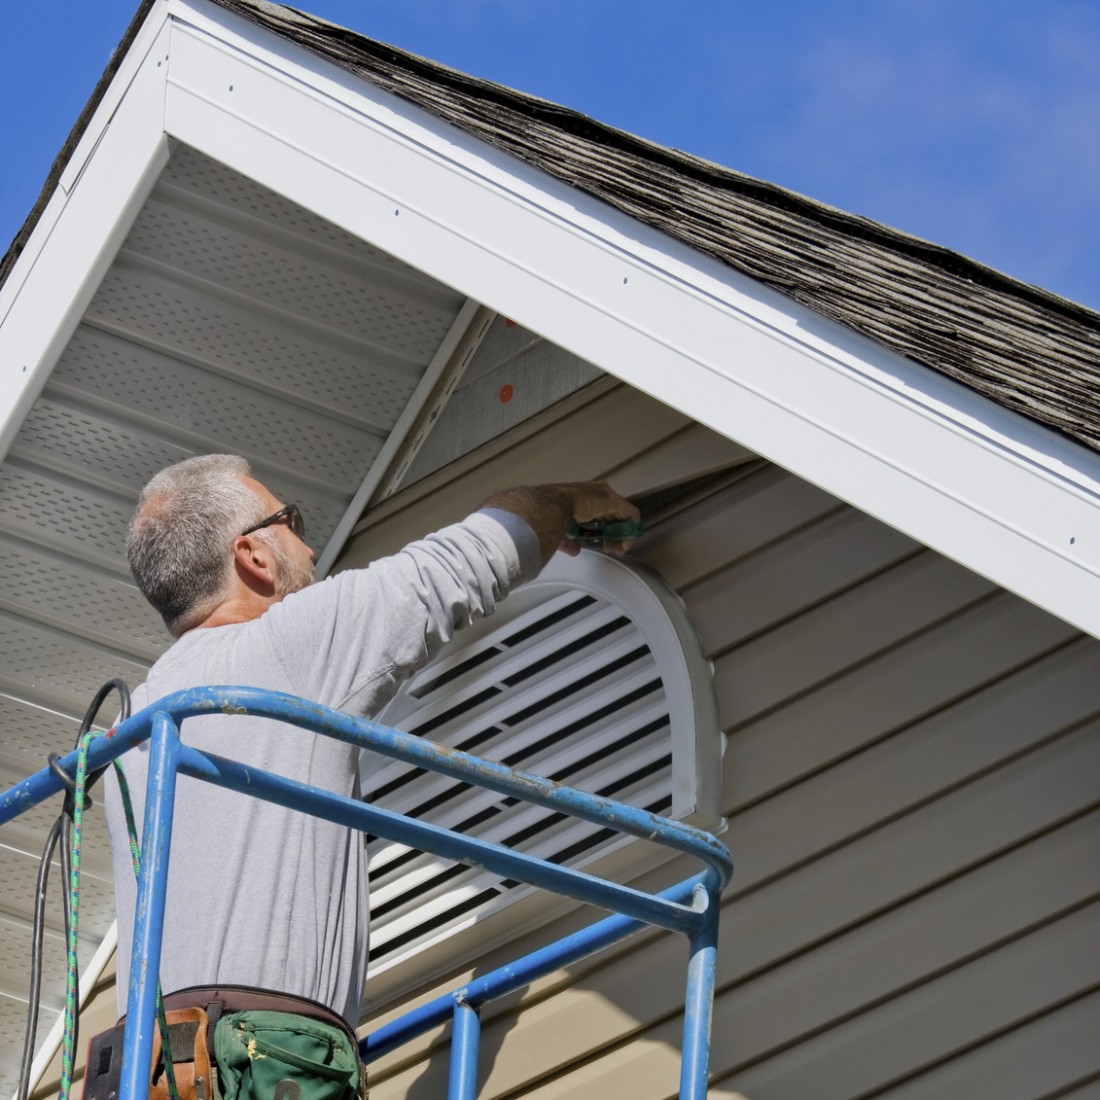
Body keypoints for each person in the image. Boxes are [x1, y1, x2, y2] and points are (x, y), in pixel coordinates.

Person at [101, 454, 639, 1055]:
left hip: (148, 1070)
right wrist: (565, 500)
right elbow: (467, 561)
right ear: (252, 555)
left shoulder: (133, 724)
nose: (308, 550)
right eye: (292, 523)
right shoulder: (286, 646)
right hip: (263, 1063)